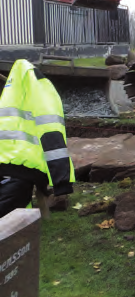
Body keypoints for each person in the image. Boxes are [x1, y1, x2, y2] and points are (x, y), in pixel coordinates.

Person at [0, 59, 75, 218]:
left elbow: (50, 131)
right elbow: (51, 131)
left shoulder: (11, 92)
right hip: (21, 168)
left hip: (17, 167)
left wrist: (60, 180)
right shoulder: (36, 90)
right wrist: (61, 181)